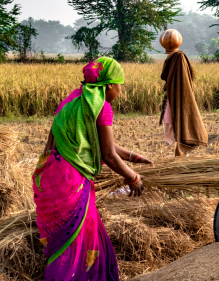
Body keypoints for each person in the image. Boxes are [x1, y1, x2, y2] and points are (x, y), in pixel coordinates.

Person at [33, 57, 152, 280]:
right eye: (119, 85)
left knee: (63, 243)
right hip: (72, 181)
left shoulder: (75, 99)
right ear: (108, 85)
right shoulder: (102, 107)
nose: (120, 91)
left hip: (49, 177)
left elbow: (98, 142)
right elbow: (107, 155)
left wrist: (133, 156)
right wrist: (133, 177)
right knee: (77, 243)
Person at [159, 29, 208, 157]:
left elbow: (181, 83)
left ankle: (182, 154)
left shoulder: (178, 58)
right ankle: (181, 155)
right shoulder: (176, 58)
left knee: (182, 123)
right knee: (178, 125)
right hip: (175, 97)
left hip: (180, 97)